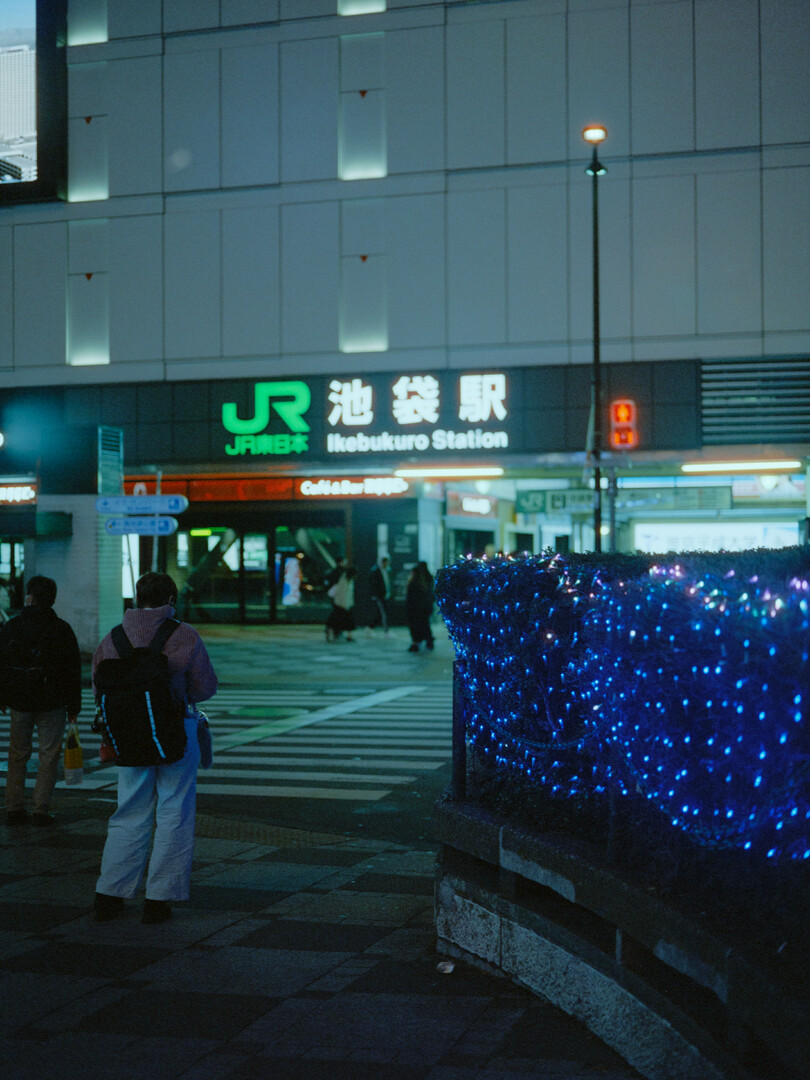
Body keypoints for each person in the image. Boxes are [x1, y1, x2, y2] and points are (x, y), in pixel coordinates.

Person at [93, 572, 217, 925]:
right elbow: (205, 687)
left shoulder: (113, 637)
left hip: (128, 737)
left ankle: (110, 894)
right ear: (171, 598)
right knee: (174, 812)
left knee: (129, 810)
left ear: (136, 597)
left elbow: (99, 688)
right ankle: (159, 898)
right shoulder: (184, 634)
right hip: (176, 732)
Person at [0, 575, 82, 827]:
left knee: (17, 754)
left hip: (20, 700)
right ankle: (41, 809)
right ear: (52, 599)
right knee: (49, 755)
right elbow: (72, 670)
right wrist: (73, 704)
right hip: (52, 701)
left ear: (31, 597)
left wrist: (2, 695)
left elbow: (2, 664)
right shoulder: (61, 629)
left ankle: (14, 807)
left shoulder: (12, 627)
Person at [406, 561, 435, 652]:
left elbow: (410, 597)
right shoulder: (428, 579)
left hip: (415, 608)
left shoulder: (414, 582)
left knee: (416, 625)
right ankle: (428, 641)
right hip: (425, 607)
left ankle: (417, 642)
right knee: (425, 624)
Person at [325, 564, 357, 642]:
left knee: (344, 620)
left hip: (345, 604)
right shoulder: (343, 581)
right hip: (341, 604)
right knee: (336, 620)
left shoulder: (348, 580)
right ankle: (331, 632)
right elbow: (342, 594)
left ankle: (347, 635)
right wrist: (345, 605)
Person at [368, 556, 392, 635]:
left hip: (385, 596)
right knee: (382, 613)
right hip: (379, 596)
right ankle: (386, 631)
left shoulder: (387, 571)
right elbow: (373, 584)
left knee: (380, 613)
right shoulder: (376, 571)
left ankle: (370, 628)